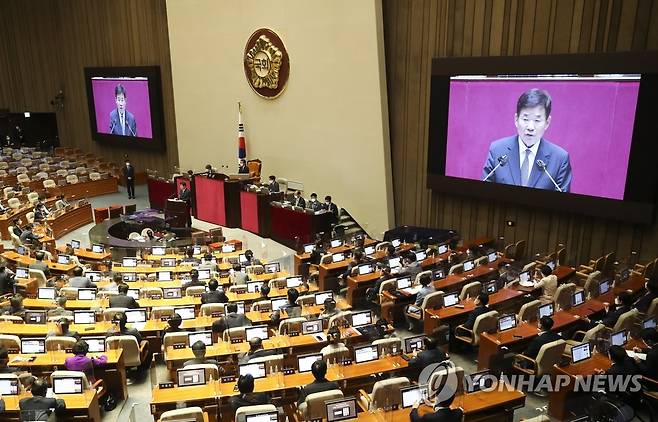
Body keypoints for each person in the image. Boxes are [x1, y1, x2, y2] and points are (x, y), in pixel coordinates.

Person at [482, 88, 572, 192]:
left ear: (547, 123)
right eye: (525, 119)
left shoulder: (559, 159)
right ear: (516, 119)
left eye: (537, 120)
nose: (530, 127)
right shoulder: (497, 150)